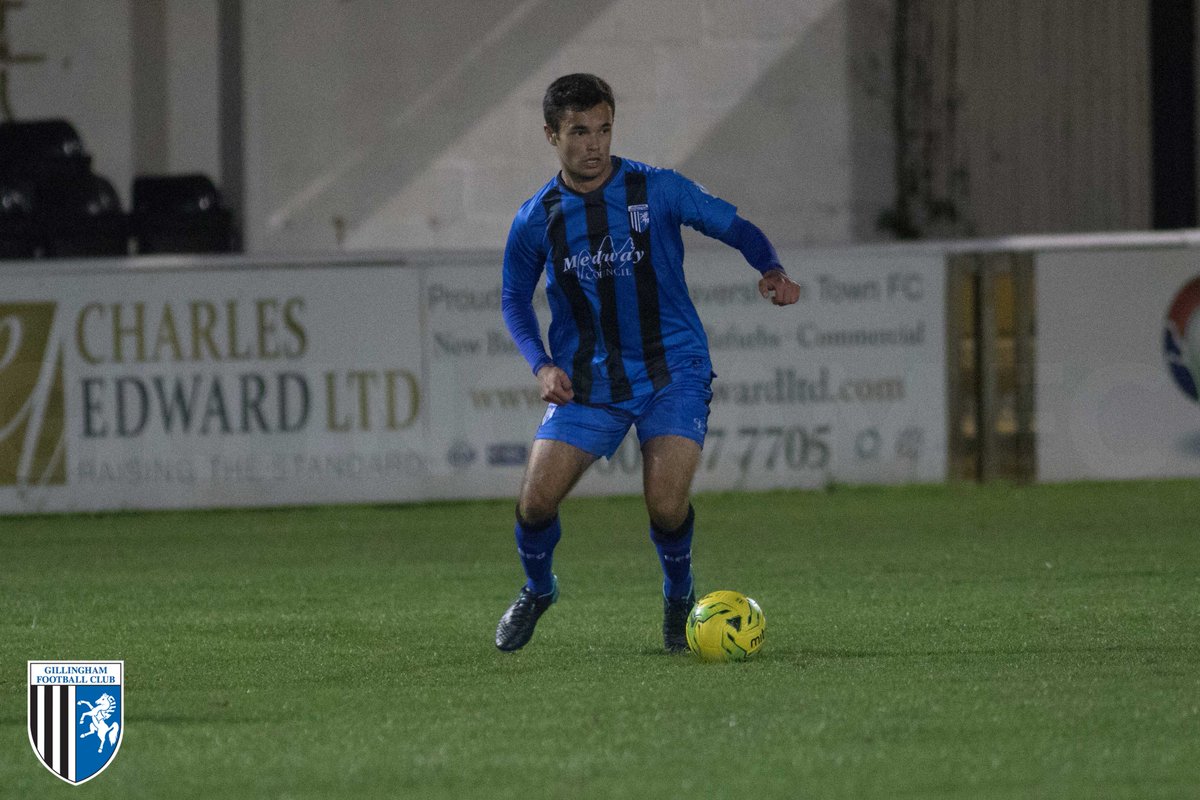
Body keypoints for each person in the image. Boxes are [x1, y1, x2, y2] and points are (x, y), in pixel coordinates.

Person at [495, 73, 800, 653]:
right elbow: (514, 297)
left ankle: (679, 596)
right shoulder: (536, 217)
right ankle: (538, 589)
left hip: (672, 369)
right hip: (590, 380)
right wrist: (541, 365)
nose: (594, 143)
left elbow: (736, 227)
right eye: (579, 131)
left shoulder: (656, 189)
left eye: (604, 128)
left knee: (664, 503)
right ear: (550, 135)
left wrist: (772, 269)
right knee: (535, 502)